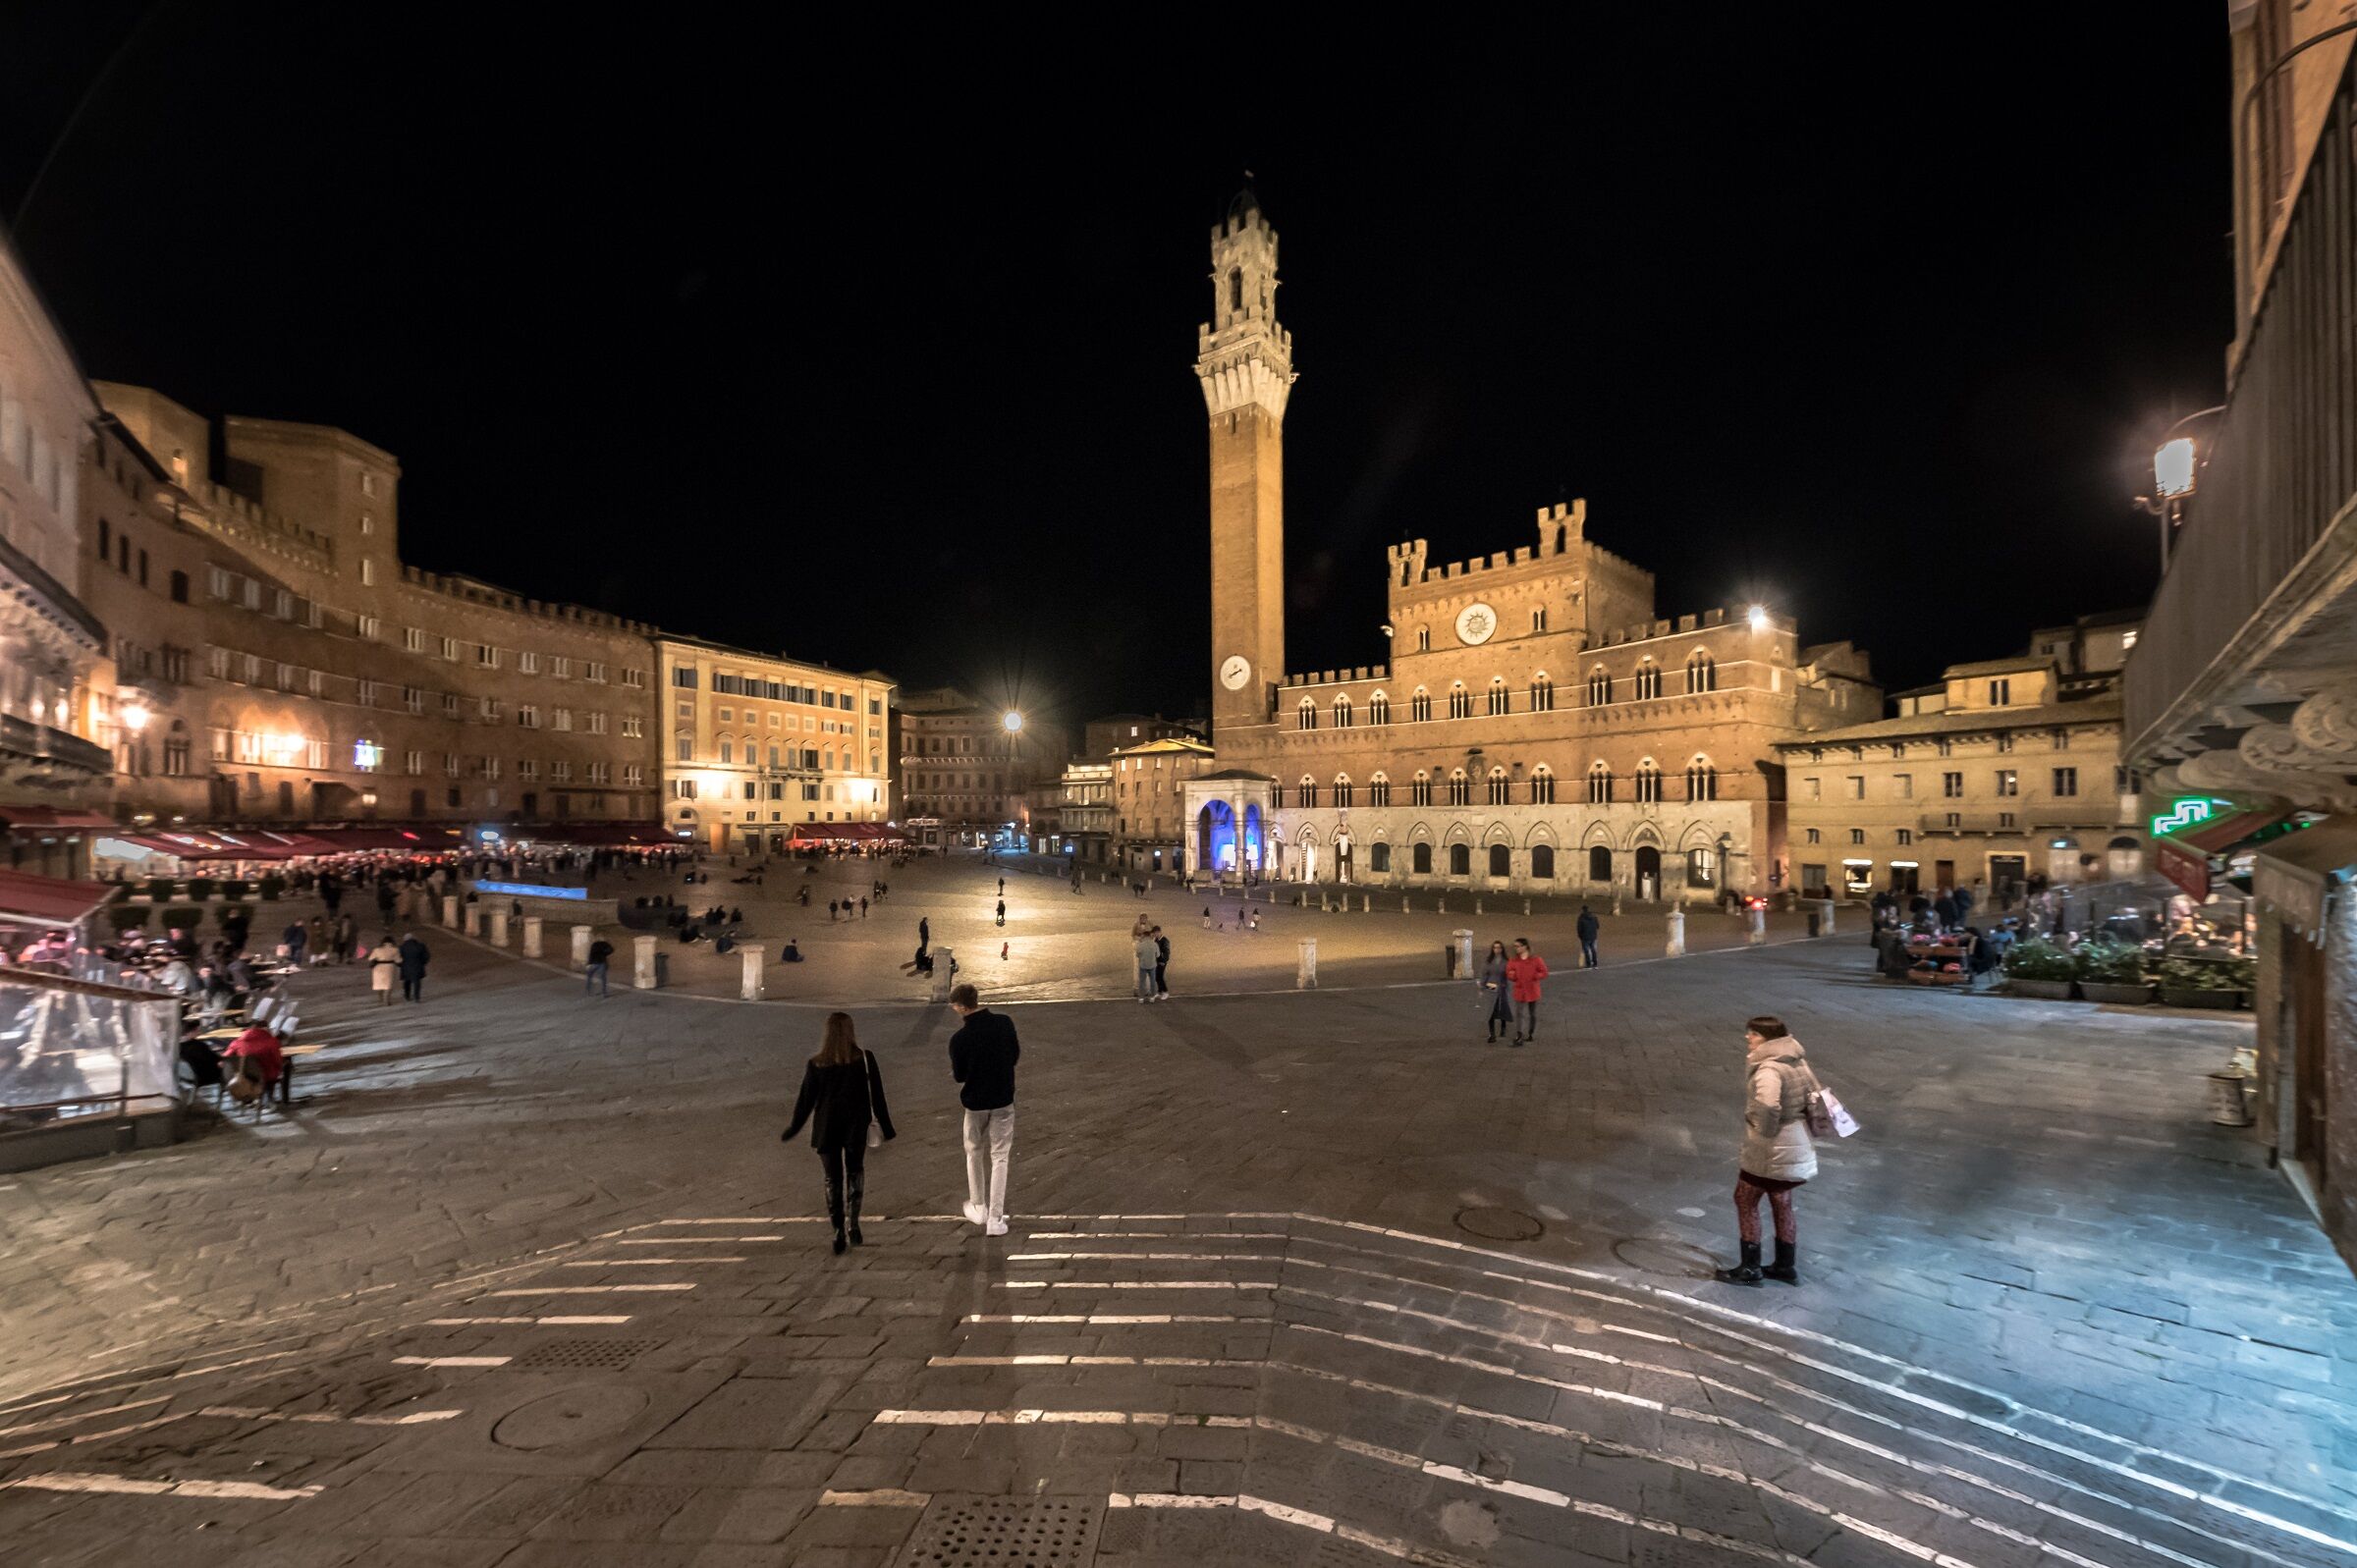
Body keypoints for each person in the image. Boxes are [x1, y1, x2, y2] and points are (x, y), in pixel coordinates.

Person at [1714, 1016, 1818, 1288]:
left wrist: (1764, 1130)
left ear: (1768, 1039)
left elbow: (1769, 1106)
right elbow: (1813, 1093)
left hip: (1772, 1148)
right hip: (1796, 1142)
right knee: (1782, 1200)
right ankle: (1785, 1266)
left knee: (1745, 1199)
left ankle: (1750, 1267)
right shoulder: (1797, 1060)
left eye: (1754, 1035)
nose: (1748, 1038)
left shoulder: (1768, 1069)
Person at [781, 1012, 896, 1255]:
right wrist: (886, 1127)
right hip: (855, 1127)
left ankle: (837, 1231)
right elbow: (877, 1096)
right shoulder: (865, 1059)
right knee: (855, 1171)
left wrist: (793, 1128)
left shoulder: (816, 1064)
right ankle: (853, 1225)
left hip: (827, 1128)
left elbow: (805, 1102)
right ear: (851, 1031)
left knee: (832, 1178)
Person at [948, 982, 1018, 1235]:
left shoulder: (959, 1039)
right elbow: (1014, 1056)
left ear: (960, 1007)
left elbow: (959, 1076)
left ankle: (979, 1206)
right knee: (1000, 1157)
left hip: (975, 1103)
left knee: (973, 1152)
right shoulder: (1004, 1023)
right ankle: (996, 1219)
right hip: (1002, 1099)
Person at [1505, 937, 1549, 1046]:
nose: (1516, 948)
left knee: (1532, 1013)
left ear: (1525, 947)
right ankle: (1519, 1034)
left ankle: (1531, 1032)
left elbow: (1544, 972)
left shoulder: (1536, 959)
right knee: (1519, 1013)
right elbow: (1508, 971)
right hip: (1520, 989)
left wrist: (1535, 976)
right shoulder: (1513, 960)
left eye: (1518, 946)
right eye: (1515, 946)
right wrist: (1512, 975)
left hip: (1532, 989)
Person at [1477, 940, 1513, 1043]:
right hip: (1491, 986)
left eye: (1499, 947)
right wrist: (1481, 988)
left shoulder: (1506, 961)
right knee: (1491, 1010)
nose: (1497, 949)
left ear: (1502, 949)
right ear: (1492, 949)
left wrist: (1507, 984)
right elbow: (1484, 974)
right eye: (1495, 947)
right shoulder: (1488, 961)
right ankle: (1492, 1034)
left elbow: (1510, 974)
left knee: (1502, 1008)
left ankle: (1503, 1026)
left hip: (1502, 987)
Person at [398, 932, 431, 1002]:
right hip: (418, 966)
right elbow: (427, 956)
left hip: (406, 967)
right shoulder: (421, 946)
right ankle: (417, 997)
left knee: (407, 982)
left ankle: (407, 996)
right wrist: (422, 963)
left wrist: (400, 965)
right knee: (417, 982)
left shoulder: (401, 947)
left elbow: (398, 958)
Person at [366, 936, 400, 1005]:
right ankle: (386, 1000)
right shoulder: (395, 949)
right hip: (389, 968)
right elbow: (398, 960)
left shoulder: (377, 950)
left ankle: (381, 998)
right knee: (388, 985)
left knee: (379, 985)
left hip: (378, 968)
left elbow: (370, 958)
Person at [1133, 926, 1161, 1003]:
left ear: (1144, 936)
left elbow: (1137, 955)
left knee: (1142, 982)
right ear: (1150, 936)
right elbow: (1158, 955)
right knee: (1152, 982)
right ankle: (1152, 997)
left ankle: (1141, 998)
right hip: (1152, 965)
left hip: (1143, 965)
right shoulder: (1155, 944)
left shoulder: (1140, 945)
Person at [1576, 905, 1601, 969]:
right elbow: (1598, 926)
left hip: (1585, 937)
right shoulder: (1594, 917)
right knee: (1593, 950)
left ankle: (1589, 964)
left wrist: (1580, 936)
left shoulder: (1581, 918)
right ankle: (1595, 964)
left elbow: (1579, 929)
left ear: (1582, 910)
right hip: (1593, 936)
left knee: (1586, 951)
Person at [1153, 926, 1171, 1000]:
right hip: (1157, 961)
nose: (1155, 935)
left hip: (1162, 962)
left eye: (1156, 933)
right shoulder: (1156, 940)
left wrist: (1163, 961)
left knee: (1159, 976)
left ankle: (1165, 992)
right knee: (1157, 977)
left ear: (1159, 932)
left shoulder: (1165, 940)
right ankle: (1160, 991)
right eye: (1154, 933)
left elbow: (1167, 952)